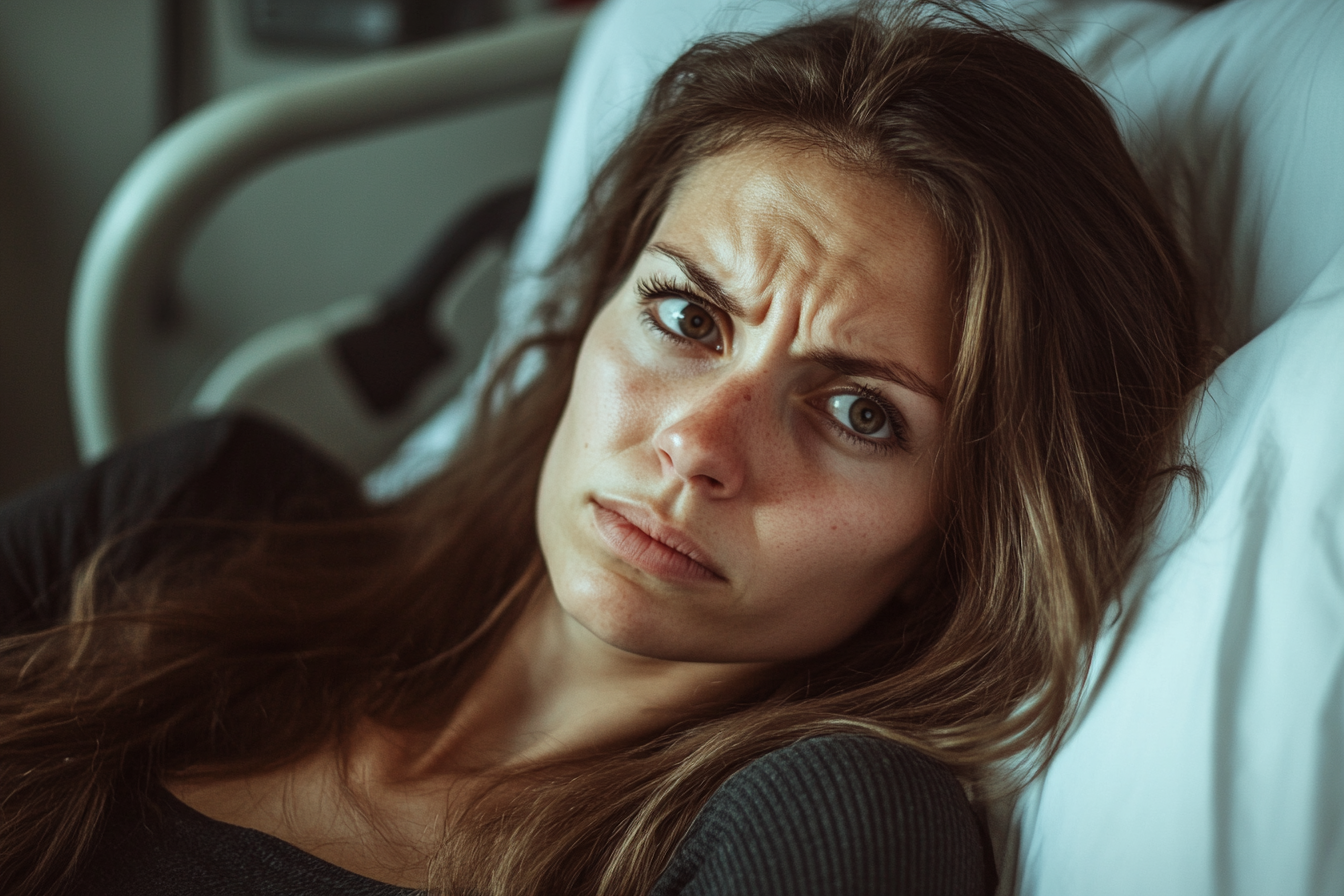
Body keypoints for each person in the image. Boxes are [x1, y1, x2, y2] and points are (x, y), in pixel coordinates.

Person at [0, 3, 1206, 894]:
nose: (698, 443)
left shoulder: (822, 826)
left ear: (967, 525)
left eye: (859, 412)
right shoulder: (191, 515)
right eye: (688, 316)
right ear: (594, 305)